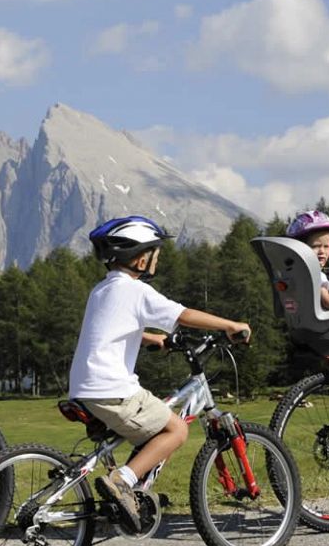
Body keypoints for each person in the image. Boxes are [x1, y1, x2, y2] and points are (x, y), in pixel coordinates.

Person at [71, 215, 251, 525]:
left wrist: (152, 338)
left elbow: (111, 328)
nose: (158, 259)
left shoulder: (102, 290)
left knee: (152, 427)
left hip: (85, 389)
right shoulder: (136, 291)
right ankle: (122, 481)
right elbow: (183, 315)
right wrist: (231, 325)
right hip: (113, 389)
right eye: (155, 252)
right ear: (140, 257)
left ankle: (133, 494)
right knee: (176, 429)